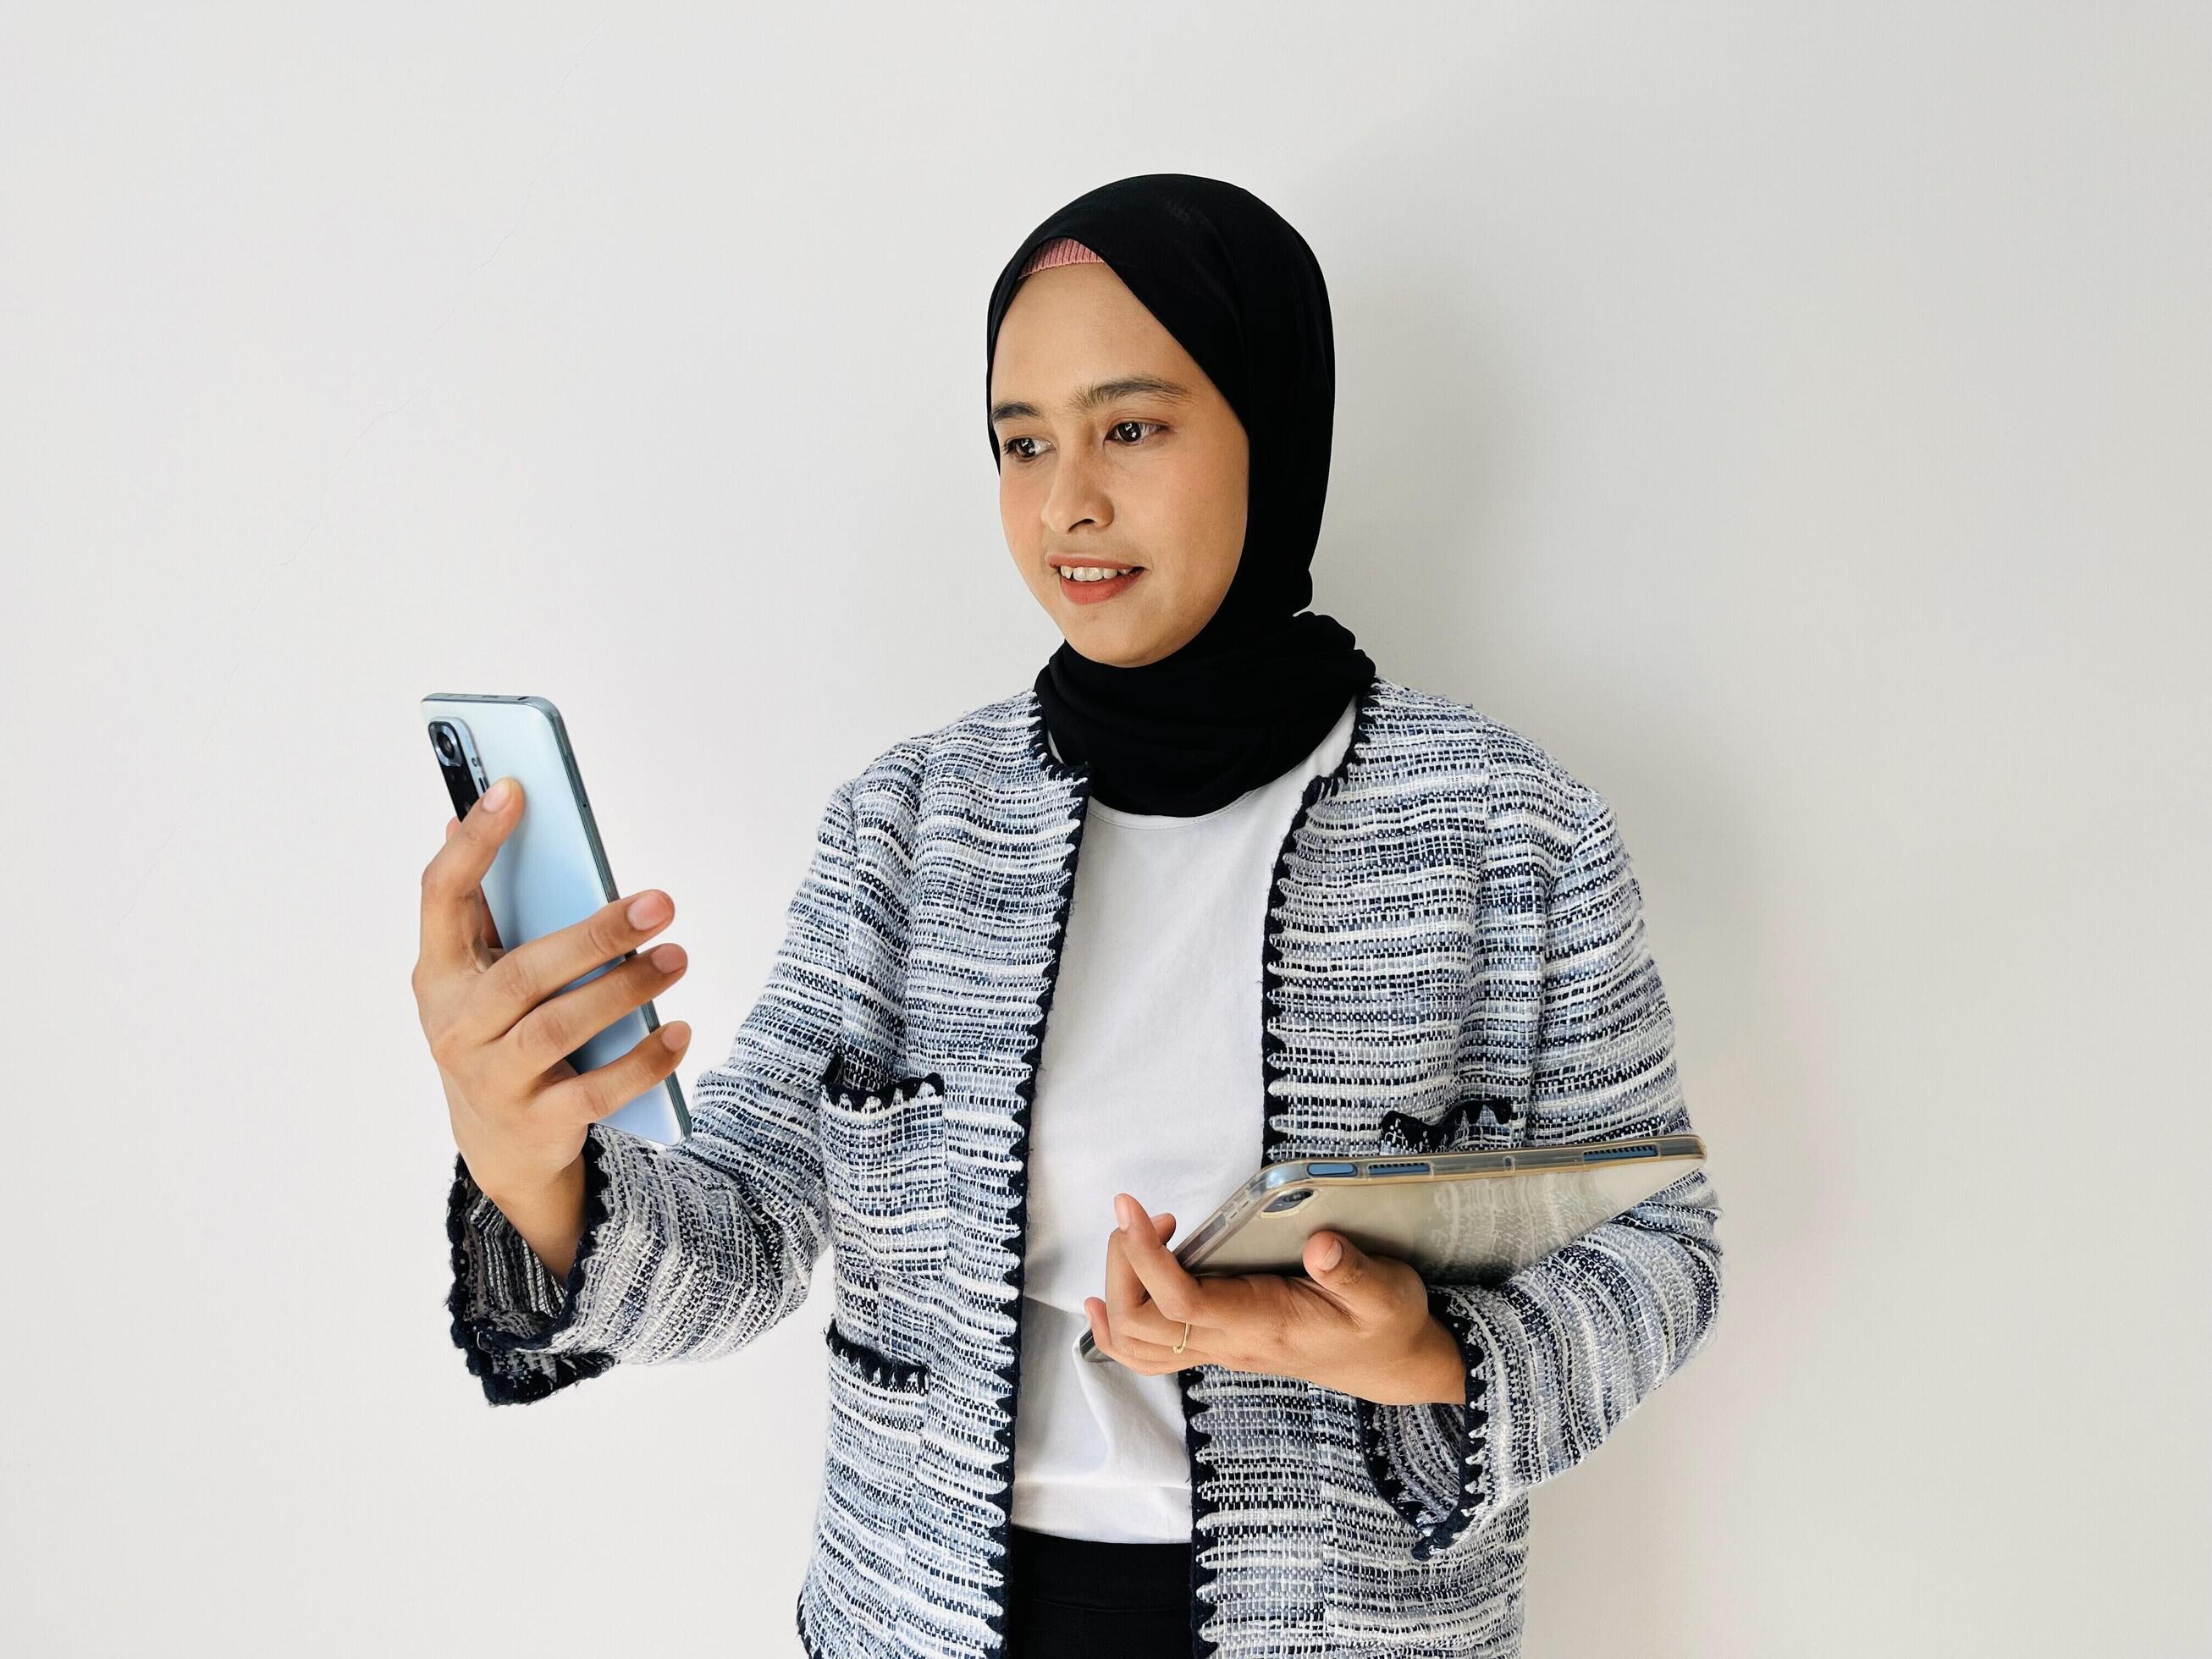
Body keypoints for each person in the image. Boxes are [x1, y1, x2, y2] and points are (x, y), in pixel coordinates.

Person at [417, 174, 1724, 1659]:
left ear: (1272, 428)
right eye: (1019, 442)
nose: (1065, 504)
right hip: (921, 1621)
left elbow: (1657, 1249)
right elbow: (743, 1240)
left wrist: (1434, 1355)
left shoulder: (1509, 831)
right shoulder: (910, 826)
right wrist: (527, 1165)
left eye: (1132, 426)